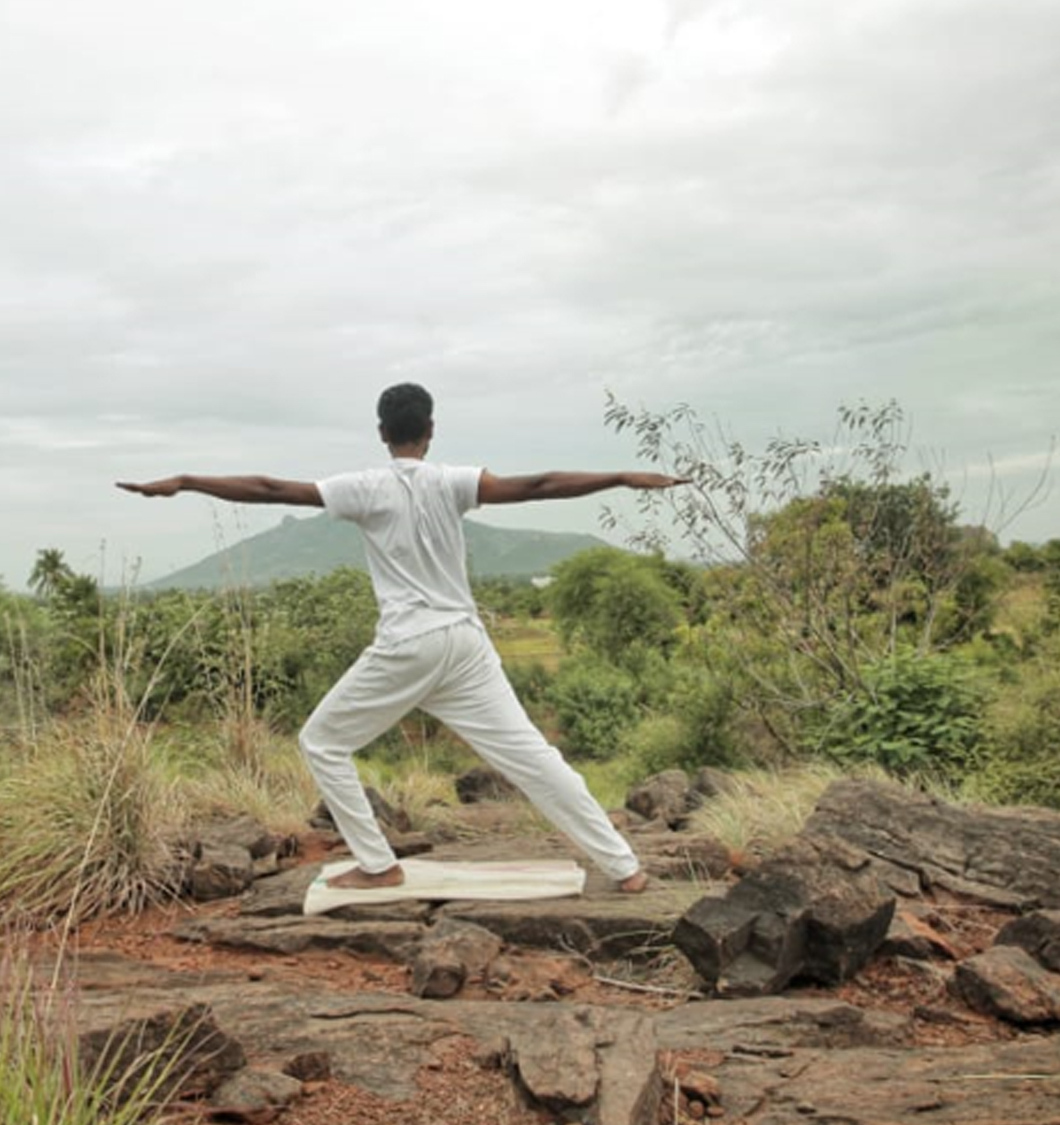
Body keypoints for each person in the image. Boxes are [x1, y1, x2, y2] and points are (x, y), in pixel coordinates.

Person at [118, 382, 684, 893]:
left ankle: (377, 863)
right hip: (465, 644)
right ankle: (624, 867)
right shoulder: (454, 481)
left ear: (382, 434)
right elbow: (538, 484)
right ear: (431, 432)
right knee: (534, 758)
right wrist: (621, 476)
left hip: (411, 643)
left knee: (322, 741)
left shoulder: (364, 488)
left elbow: (270, 488)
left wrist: (188, 482)